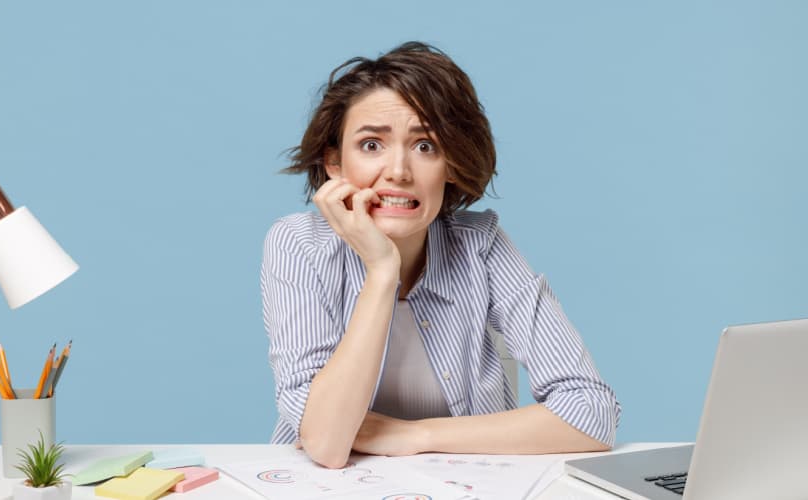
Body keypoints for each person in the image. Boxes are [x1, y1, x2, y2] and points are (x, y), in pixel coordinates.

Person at [262, 41, 621, 469]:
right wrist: (382, 272)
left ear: (450, 165)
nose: (398, 170)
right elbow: (325, 443)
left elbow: (592, 413)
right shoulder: (297, 245)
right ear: (335, 163)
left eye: (425, 146)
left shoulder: (481, 246)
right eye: (372, 145)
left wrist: (416, 435)